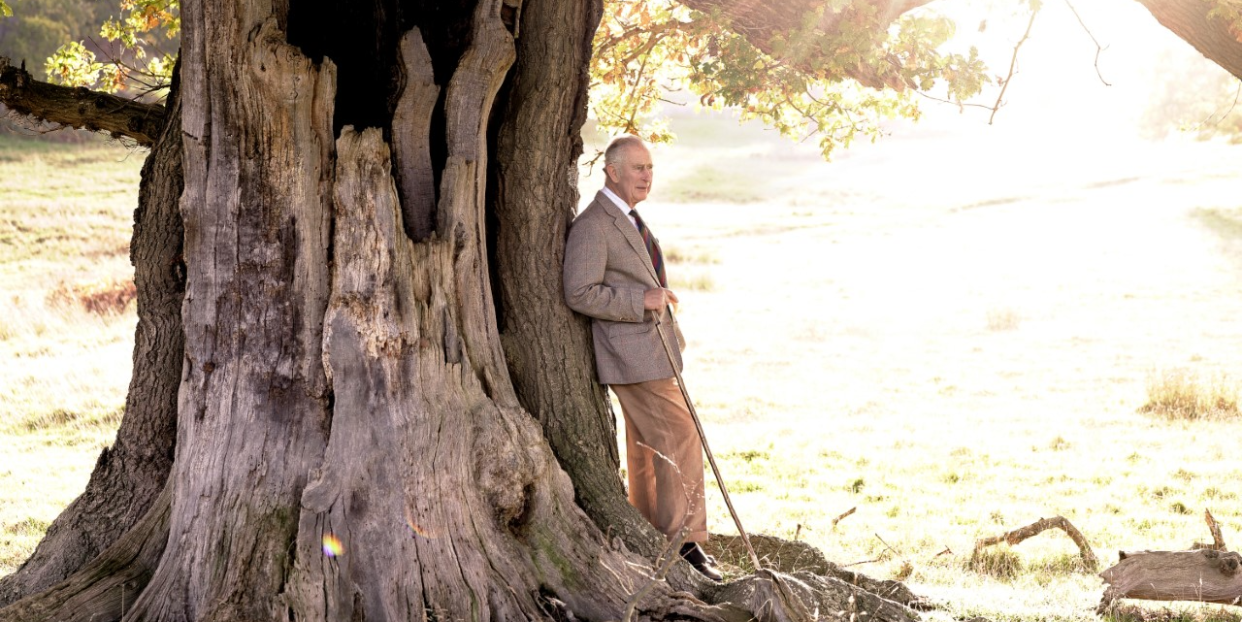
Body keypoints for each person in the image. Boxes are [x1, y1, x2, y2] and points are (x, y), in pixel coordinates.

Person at [562, 135, 722, 582]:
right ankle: (684, 543)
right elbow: (578, 292)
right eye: (637, 168)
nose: (647, 176)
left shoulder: (628, 218)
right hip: (631, 356)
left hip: (654, 352)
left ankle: (653, 532)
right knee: (680, 435)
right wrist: (642, 299)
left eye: (650, 168)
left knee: (649, 446)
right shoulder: (595, 225)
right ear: (612, 170)